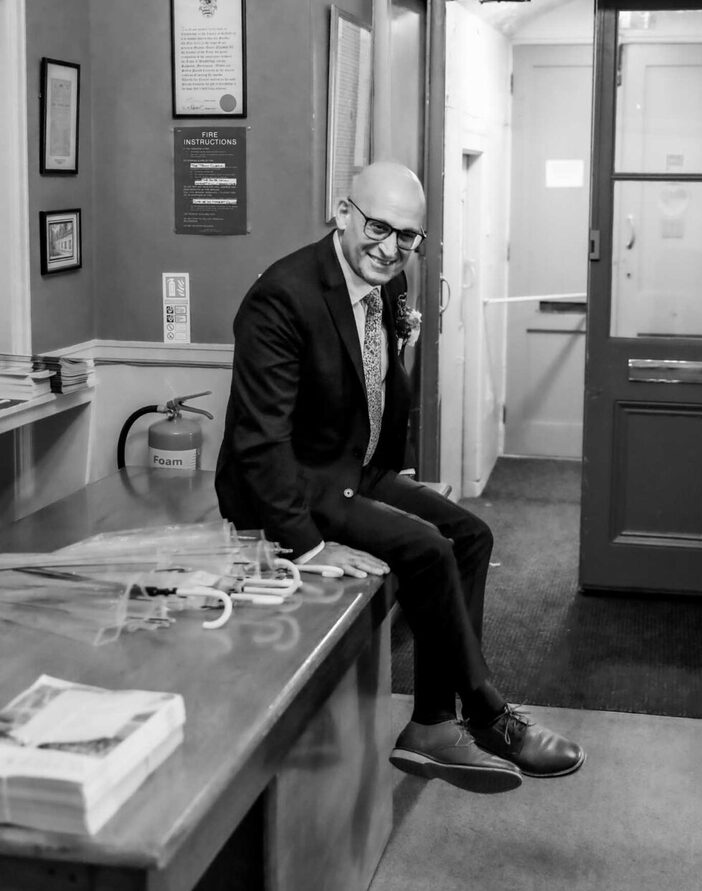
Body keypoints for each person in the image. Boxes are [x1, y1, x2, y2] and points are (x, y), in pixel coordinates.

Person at [215, 160, 585, 793]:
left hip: (356, 467)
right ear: (343, 213)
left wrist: (394, 469)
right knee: (428, 547)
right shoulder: (282, 296)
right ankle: (486, 714)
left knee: (471, 536)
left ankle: (432, 722)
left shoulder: (387, 282)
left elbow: (378, 381)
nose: (391, 248)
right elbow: (259, 439)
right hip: (293, 484)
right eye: (378, 228)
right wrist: (308, 546)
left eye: (408, 235)